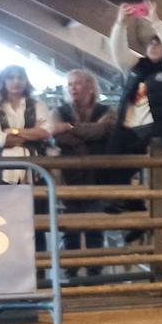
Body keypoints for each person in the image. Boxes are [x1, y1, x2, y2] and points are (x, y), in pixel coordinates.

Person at [107, 4, 162, 155]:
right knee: (109, 162)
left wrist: (156, 23)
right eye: (151, 42)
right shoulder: (138, 66)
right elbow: (118, 53)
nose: (153, 46)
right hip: (129, 132)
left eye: (159, 42)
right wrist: (120, 24)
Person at [50, 69, 118, 256]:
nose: (73, 88)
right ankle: (72, 271)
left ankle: (94, 270)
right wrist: (89, 134)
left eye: (77, 83)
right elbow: (57, 135)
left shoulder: (106, 111)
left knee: (95, 223)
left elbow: (103, 130)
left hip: (97, 174)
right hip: (68, 175)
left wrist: (70, 128)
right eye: (70, 84)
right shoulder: (59, 111)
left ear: (90, 87)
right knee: (69, 223)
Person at [0, 65, 53, 182]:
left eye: (20, 77)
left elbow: (46, 132)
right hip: (2, 167)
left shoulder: (39, 105)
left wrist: (13, 131)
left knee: (37, 199)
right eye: (11, 78)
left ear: (26, 81)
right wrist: (32, 133)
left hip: (36, 166)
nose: (16, 81)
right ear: (3, 81)